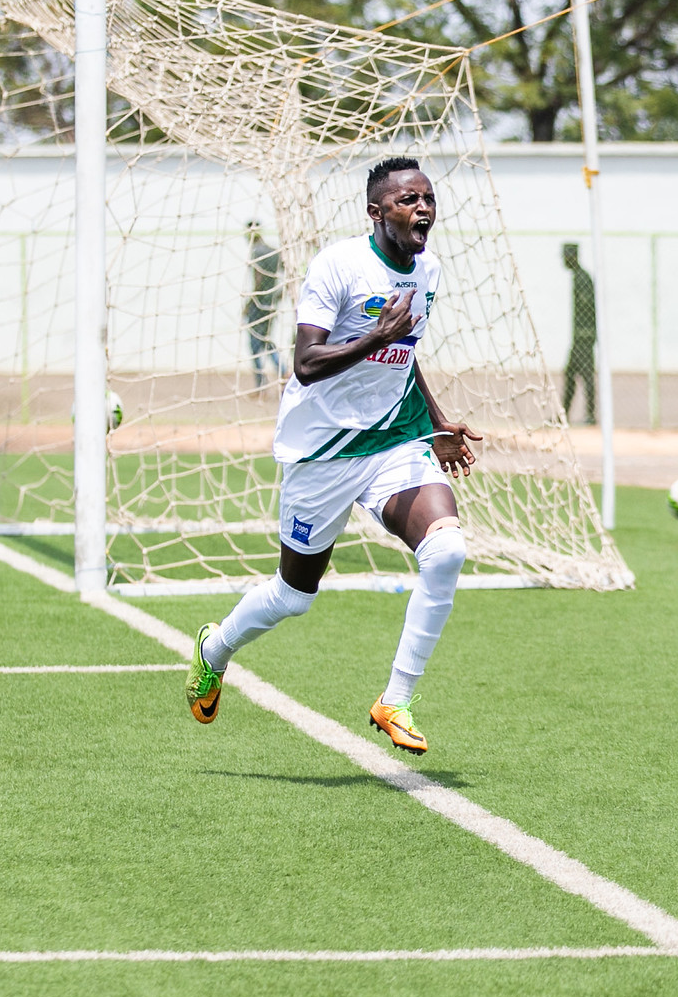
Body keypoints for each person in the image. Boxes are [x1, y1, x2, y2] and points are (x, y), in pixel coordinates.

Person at [185, 157, 482, 756]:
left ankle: (395, 700)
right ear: (376, 212)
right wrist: (375, 336)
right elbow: (305, 363)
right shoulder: (338, 266)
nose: (422, 208)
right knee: (294, 596)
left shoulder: (429, 270)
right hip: (322, 451)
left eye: (428, 198)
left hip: (394, 439)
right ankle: (214, 648)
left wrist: (434, 421)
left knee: (447, 551)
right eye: (407, 200)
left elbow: (406, 354)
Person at [245, 221, 286, 388]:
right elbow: (287, 273)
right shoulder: (274, 251)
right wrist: (278, 295)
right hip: (271, 303)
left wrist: (249, 303)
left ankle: (260, 382)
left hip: (259, 304)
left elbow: (258, 279)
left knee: (254, 344)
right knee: (266, 340)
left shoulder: (256, 252)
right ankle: (282, 370)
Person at [561, 242, 595, 423]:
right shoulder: (578, 277)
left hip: (584, 338)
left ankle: (590, 415)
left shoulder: (583, 279)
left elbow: (588, 308)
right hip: (580, 337)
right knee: (571, 374)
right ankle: (565, 414)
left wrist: (585, 335)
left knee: (586, 375)